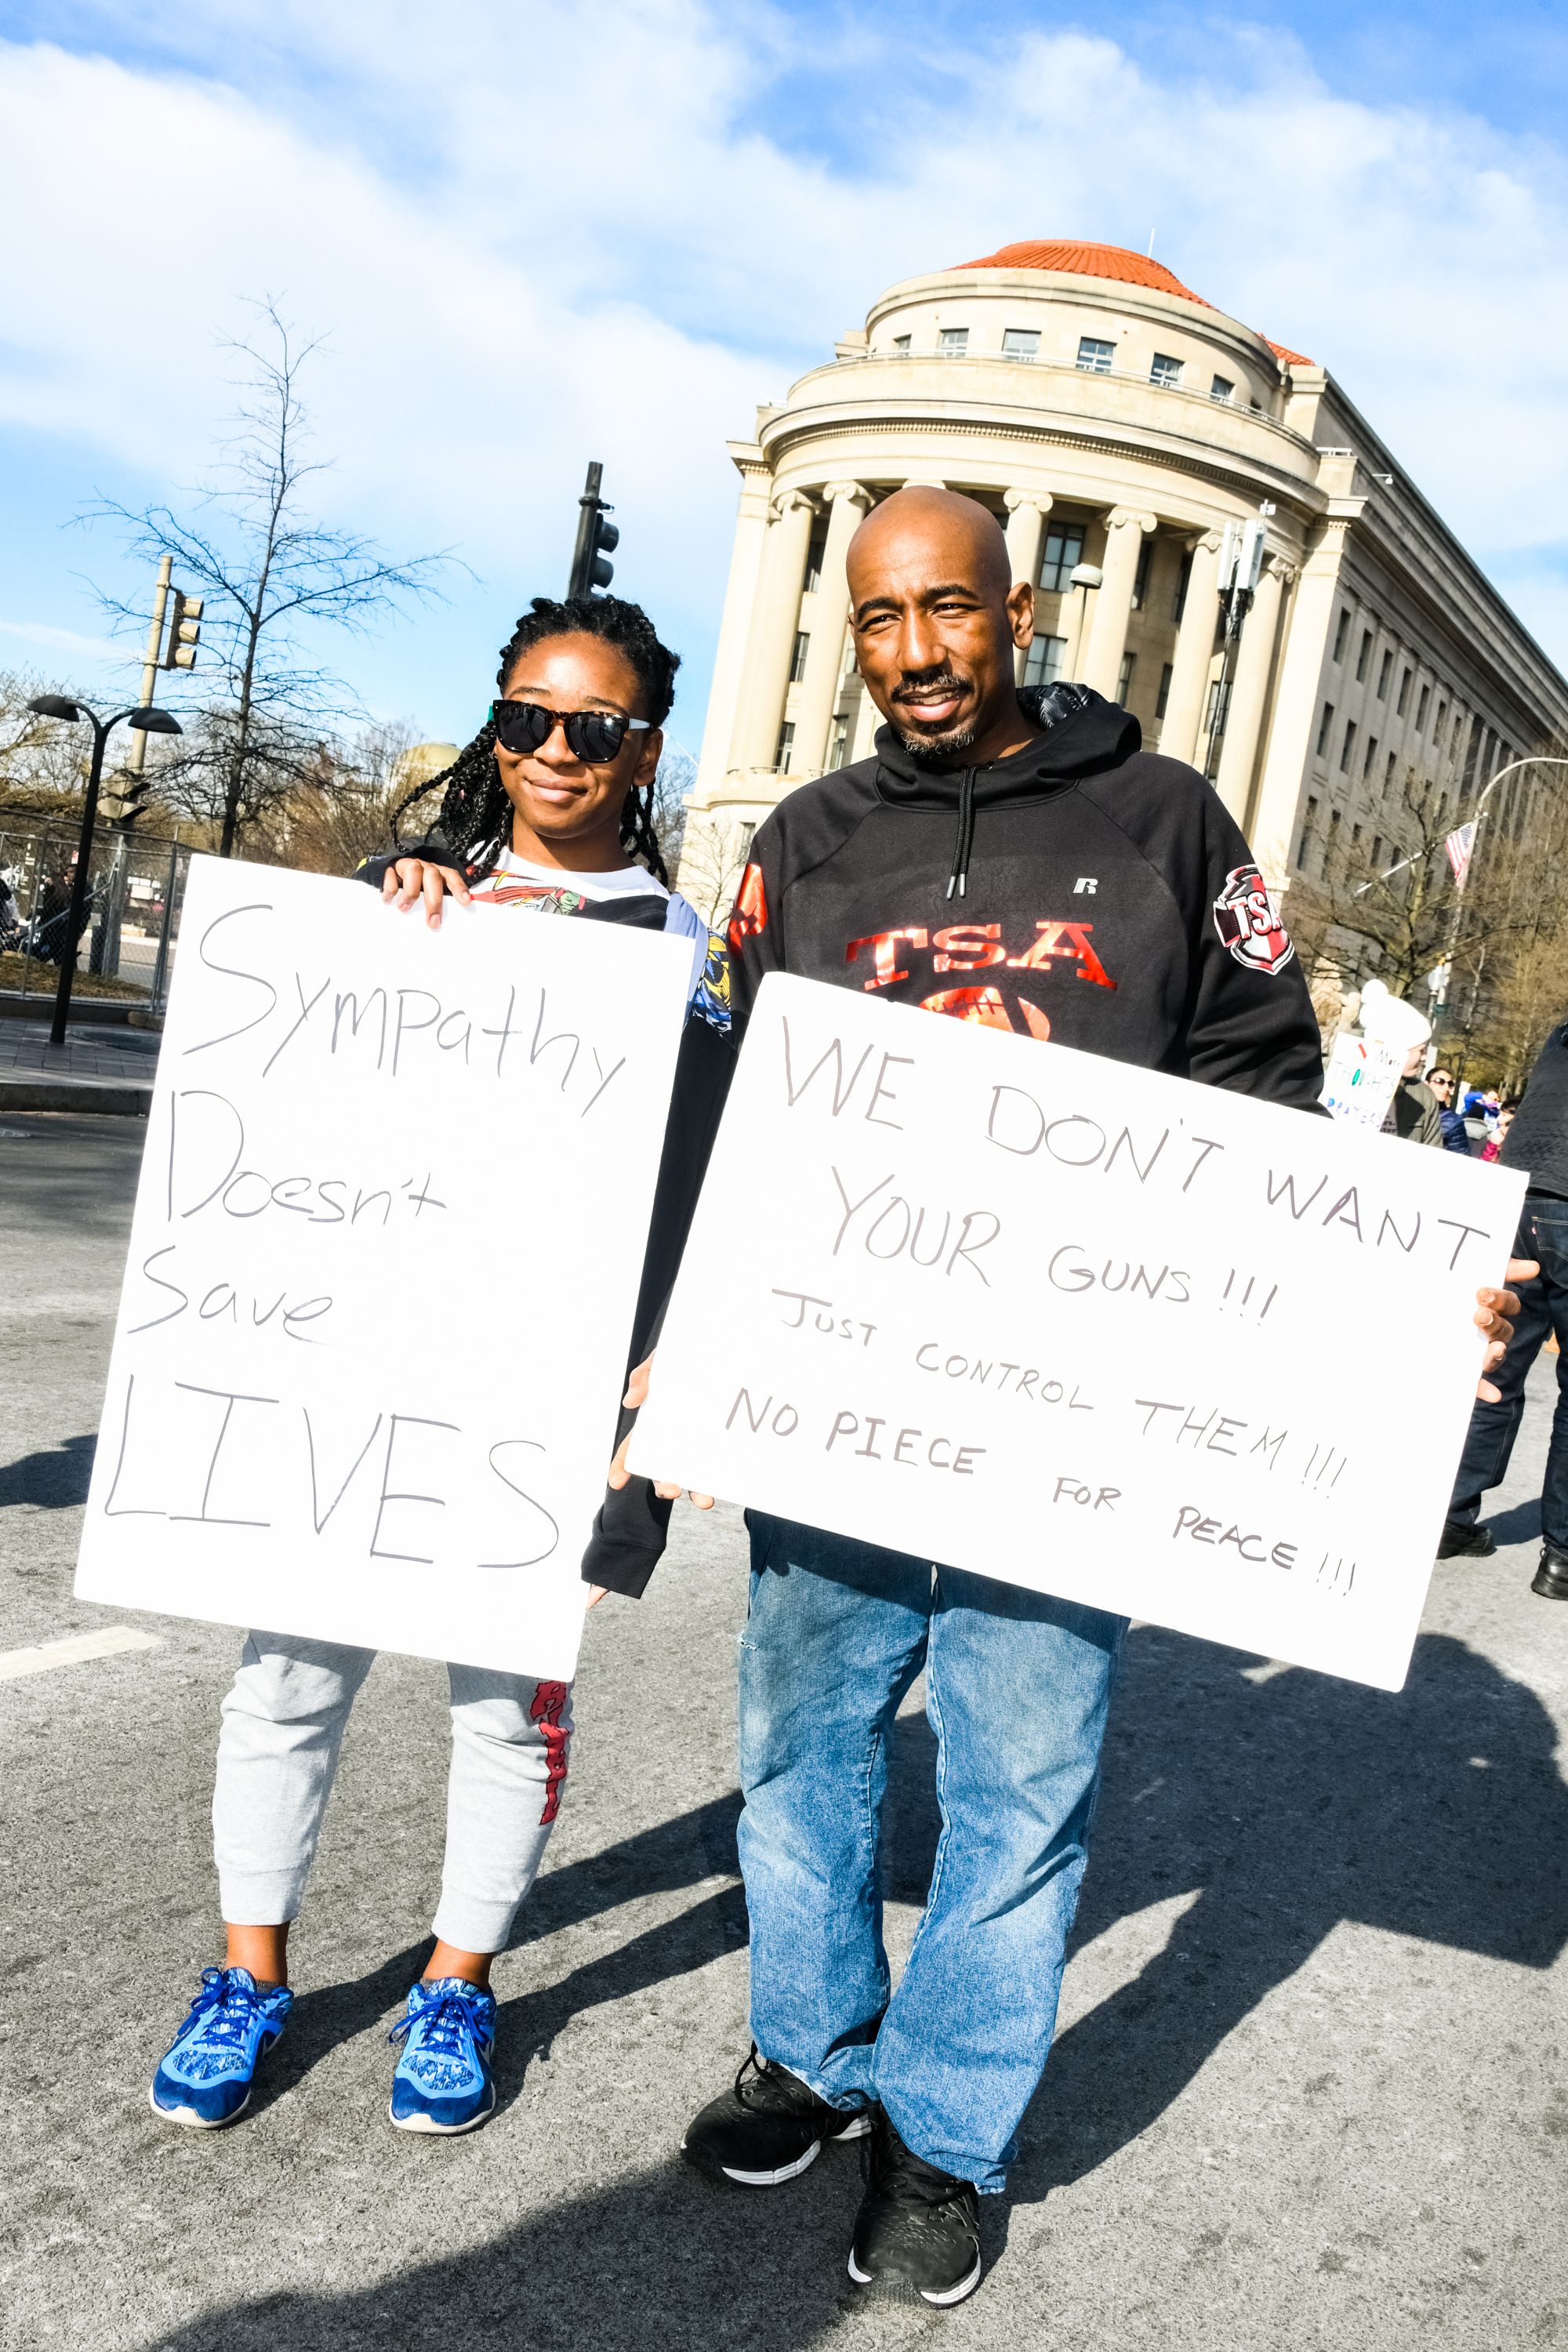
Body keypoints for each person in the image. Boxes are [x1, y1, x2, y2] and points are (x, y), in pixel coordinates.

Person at [393, 496, 1526, 2307]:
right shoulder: (807, 840)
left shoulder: (1161, 826)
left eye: (946, 609)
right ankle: (810, 2051)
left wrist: (1381, 1311)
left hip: (1061, 1436)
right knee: (799, 1755)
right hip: (827, 1412)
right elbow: (714, 1089)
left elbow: (1260, 1096)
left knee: (1015, 1788)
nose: (914, 649)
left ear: (1016, 605)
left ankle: (944, 2134)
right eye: (878, 619)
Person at [148, 595, 728, 2136]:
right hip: (357, 1358)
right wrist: (379, 911)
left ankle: (457, 1981)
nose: (552, 750)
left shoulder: (685, 955)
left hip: (543, 1389)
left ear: (640, 748)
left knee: (510, 1707)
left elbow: (694, 1191)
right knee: (284, 1677)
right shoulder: (404, 900)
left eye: (589, 727)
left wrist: (659, 1397)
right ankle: (247, 1973)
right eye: (525, 717)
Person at [1439, 1031, 1568, 1596]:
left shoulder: (1560, 1032)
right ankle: (1561, 1557)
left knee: (1497, 1363)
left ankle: (1450, 1517)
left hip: (1518, 1194)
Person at [1426, 1066, 1472, 1155]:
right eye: (1440, 1081)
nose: (1446, 1088)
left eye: (1450, 1084)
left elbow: (1461, 1158)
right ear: (1426, 1084)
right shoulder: (1410, 1109)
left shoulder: (1454, 1121)